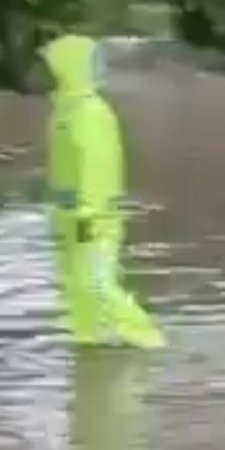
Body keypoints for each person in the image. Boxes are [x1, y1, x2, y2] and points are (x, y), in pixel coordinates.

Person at [42, 33, 166, 350]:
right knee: (76, 285)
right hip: (69, 216)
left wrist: (87, 213)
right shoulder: (66, 109)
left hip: (93, 218)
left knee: (98, 284)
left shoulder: (88, 112)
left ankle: (146, 340)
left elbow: (96, 166)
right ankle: (88, 342)